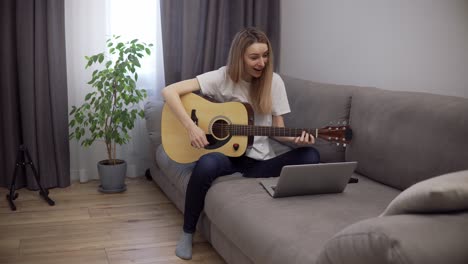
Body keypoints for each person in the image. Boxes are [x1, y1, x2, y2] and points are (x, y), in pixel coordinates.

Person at [161, 27, 320, 260]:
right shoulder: (222, 77)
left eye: (265, 56)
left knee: (311, 155)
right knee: (206, 163)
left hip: (259, 161)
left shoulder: (274, 82)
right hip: (227, 156)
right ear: (239, 57)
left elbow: (278, 129)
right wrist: (191, 127)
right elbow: (169, 91)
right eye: (254, 57)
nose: (262, 63)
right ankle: (187, 232)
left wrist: (295, 137)